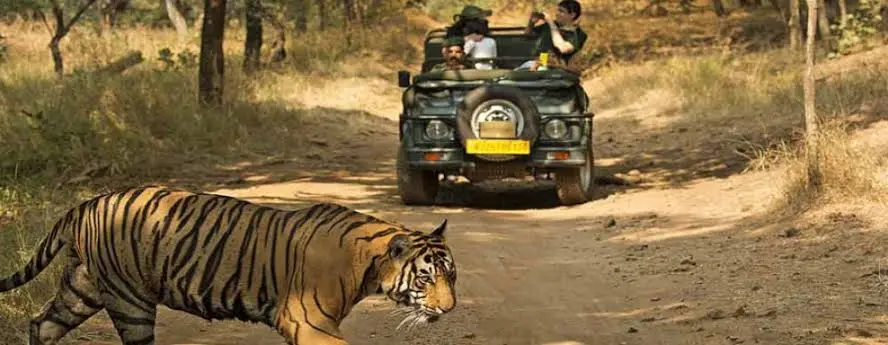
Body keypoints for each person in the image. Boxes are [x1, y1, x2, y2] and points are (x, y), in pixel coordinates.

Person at [519, 0, 587, 71]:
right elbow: (527, 35)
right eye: (557, 10)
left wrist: (550, 22)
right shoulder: (550, 26)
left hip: (558, 69)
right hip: (538, 63)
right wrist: (531, 22)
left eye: (561, 11)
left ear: (572, 15)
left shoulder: (578, 34)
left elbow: (563, 48)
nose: (557, 14)